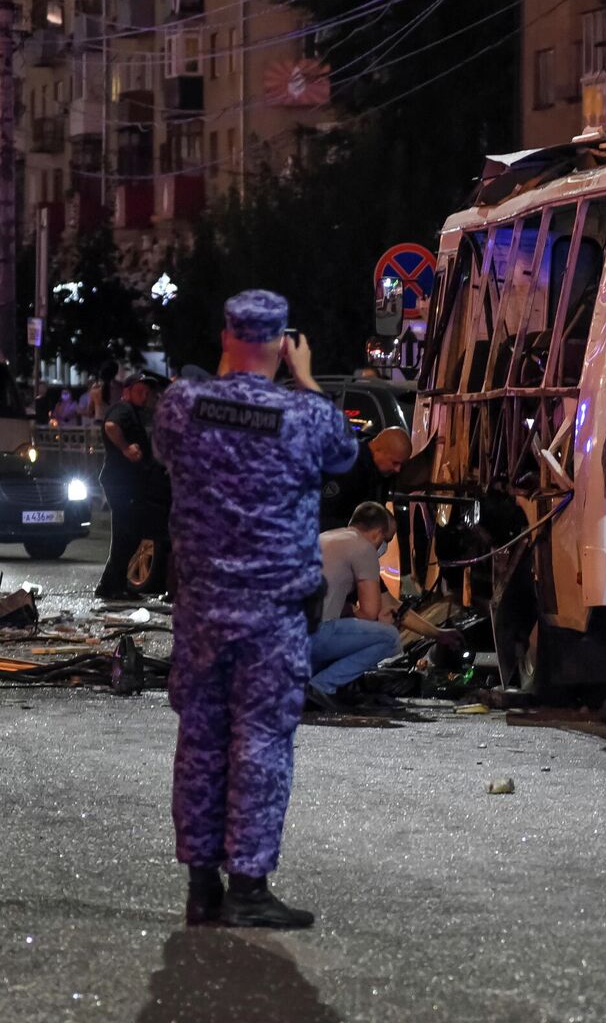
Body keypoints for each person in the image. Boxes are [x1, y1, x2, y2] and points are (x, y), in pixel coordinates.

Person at [152, 291, 360, 930]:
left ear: (225, 334)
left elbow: (166, 450)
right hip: (272, 614)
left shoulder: (182, 408)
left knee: (202, 740)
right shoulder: (304, 416)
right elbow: (347, 455)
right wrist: (303, 379)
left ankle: (200, 886)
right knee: (261, 743)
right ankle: (247, 885)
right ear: (281, 341)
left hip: (202, 610)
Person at [306, 500, 462, 712]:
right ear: (378, 533)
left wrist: (437, 634)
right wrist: (381, 621)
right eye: (386, 539)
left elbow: (388, 604)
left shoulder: (324, 538)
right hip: (312, 636)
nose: (383, 546)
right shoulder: (363, 549)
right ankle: (321, 686)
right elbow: (371, 614)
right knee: (388, 637)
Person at [95, 374, 164, 601]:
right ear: (127, 391)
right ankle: (112, 587)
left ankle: (110, 585)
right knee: (127, 533)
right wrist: (125, 448)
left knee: (129, 534)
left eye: (147, 393)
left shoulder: (136, 413)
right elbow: (111, 426)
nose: (144, 396)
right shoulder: (123, 409)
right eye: (139, 391)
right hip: (120, 482)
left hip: (129, 483)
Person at [318, 427, 411, 532]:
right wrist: (362, 528)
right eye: (395, 463)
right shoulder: (345, 468)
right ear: (377, 451)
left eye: (401, 465)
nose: (398, 469)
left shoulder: (378, 469)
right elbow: (321, 516)